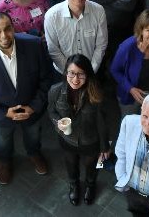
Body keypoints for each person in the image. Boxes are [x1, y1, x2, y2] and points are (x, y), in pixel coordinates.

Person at [0, 12, 53, 184]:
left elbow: (46, 79)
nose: (3, 35)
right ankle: (5, 161)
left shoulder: (34, 45)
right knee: (3, 139)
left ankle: (34, 153)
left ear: (13, 28)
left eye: (7, 29)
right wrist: (4, 112)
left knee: (33, 135)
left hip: (32, 109)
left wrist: (33, 107)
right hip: (3, 113)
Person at [48, 54, 110, 206]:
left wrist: (105, 147)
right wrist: (58, 123)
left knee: (90, 166)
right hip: (67, 139)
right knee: (71, 163)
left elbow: (102, 123)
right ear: (66, 73)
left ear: (87, 74)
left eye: (81, 74)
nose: (76, 79)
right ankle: (74, 184)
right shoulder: (55, 91)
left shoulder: (95, 93)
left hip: (90, 141)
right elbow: (51, 111)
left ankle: (90, 185)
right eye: (72, 73)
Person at [111, 10, 149, 116]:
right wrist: (130, 89)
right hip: (130, 98)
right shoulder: (128, 47)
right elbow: (115, 70)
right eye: (148, 30)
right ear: (141, 30)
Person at [44, 0, 108, 74]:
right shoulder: (52, 15)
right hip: (62, 72)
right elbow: (53, 49)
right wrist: (71, 74)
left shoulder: (98, 11)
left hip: (91, 71)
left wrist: (91, 71)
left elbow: (101, 45)